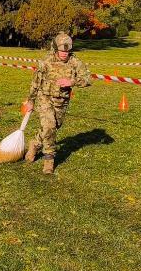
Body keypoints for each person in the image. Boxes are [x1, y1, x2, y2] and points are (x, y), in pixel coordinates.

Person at [23, 32, 92, 174]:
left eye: (67, 50)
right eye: (61, 50)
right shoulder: (46, 62)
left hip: (62, 101)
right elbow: (36, 82)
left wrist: (72, 81)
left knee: (54, 126)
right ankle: (49, 160)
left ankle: (35, 144)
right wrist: (30, 100)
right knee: (49, 126)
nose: (64, 53)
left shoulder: (75, 62)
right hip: (45, 98)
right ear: (55, 48)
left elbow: (87, 79)